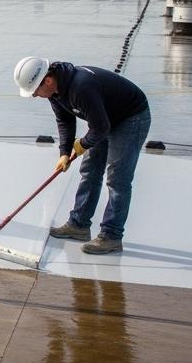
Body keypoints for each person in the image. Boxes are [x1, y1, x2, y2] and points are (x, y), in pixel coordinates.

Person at [14, 57, 151, 254]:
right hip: (105, 117)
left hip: (131, 118)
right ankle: (78, 225)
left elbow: (101, 128)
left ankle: (111, 236)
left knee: (117, 179)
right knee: (89, 171)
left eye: (34, 91)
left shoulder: (81, 87)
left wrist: (83, 145)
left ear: (47, 80)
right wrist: (64, 152)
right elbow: (65, 122)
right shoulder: (55, 93)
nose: (35, 96)